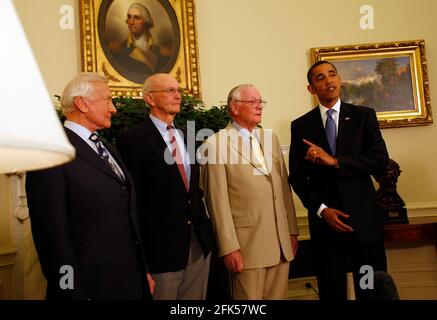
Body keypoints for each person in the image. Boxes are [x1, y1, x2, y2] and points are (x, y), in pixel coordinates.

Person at [25, 73, 153, 300]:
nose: (113, 108)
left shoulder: (105, 146)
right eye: (107, 100)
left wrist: (143, 272)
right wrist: (71, 291)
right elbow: (52, 237)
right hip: (90, 288)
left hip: (129, 282)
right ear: (82, 103)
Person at [288, 60, 389, 300]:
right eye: (320, 78)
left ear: (340, 79)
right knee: (332, 291)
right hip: (326, 225)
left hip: (364, 222)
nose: (328, 81)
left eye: (332, 75)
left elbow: (379, 160)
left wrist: (335, 161)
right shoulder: (301, 126)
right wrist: (322, 210)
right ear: (311, 89)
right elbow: (298, 178)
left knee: (370, 290)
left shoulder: (364, 116)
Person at [117, 73, 214, 300]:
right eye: (170, 91)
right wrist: (142, 259)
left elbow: (192, 190)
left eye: (178, 91)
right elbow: (133, 200)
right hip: (160, 249)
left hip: (198, 244)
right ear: (150, 99)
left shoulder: (187, 135)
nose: (177, 96)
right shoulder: (132, 138)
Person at [200, 84, 299, 300]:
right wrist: (229, 248)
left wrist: (291, 230)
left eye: (260, 102)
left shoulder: (270, 139)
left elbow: (283, 190)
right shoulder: (214, 145)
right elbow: (217, 203)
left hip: (281, 244)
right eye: (252, 102)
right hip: (246, 247)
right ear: (235, 107)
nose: (259, 106)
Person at [108, 2, 170, 82]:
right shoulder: (117, 50)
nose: (131, 22)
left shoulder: (163, 52)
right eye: (129, 17)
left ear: (146, 22)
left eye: (136, 18)